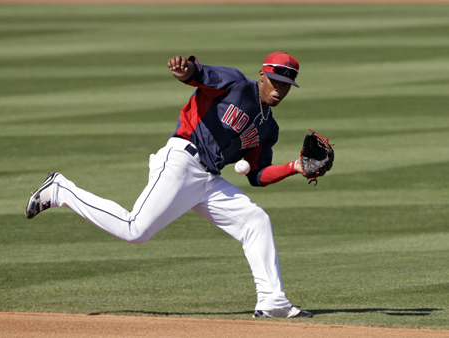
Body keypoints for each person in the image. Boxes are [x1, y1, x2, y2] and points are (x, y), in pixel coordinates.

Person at [25, 52, 313, 318]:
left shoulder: (269, 128)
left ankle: (272, 301)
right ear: (262, 76)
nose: (279, 89)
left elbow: (257, 175)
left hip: (209, 180)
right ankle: (61, 190)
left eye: (286, 85)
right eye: (275, 81)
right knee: (134, 230)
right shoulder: (235, 83)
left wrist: (294, 167)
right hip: (181, 161)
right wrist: (184, 69)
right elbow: (197, 75)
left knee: (256, 221)